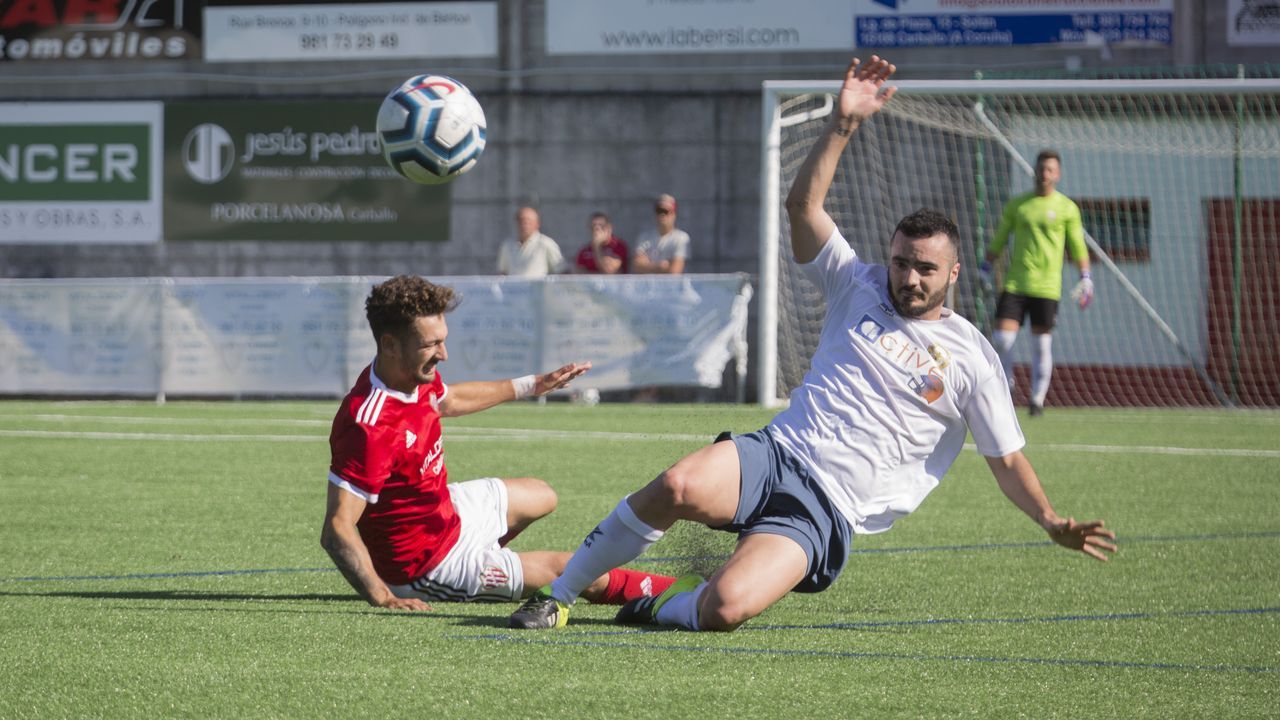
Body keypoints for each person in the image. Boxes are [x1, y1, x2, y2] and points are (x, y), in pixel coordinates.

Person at [509, 56, 1115, 633]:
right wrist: (843, 123)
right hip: (776, 451)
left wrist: (1052, 520)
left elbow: (1006, 461)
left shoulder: (972, 358)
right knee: (676, 486)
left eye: (925, 269)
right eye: (902, 261)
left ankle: (664, 602)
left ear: (952, 274)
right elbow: (804, 205)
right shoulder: (858, 281)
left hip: (826, 509)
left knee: (724, 608)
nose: (908, 277)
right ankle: (557, 597)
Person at [321, 275, 674, 610]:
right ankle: (682, 592)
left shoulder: (410, 373)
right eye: (431, 344)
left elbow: (449, 400)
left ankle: (489, 560)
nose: (443, 354)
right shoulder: (369, 425)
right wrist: (382, 597)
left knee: (542, 495)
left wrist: (531, 385)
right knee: (570, 570)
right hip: (426, 565)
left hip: (447, 513)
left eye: (443, 340)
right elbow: (337, 527)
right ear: (390, 345)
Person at [980, 150, 1093, 417]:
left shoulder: (1067, 208)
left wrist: (1086, 278)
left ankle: (1037, 400)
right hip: (1015, 284)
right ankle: (1005, 389)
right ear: (1034, 170)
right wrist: (985, 268)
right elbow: (999, 238)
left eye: (1050, 169)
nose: (1044, 174)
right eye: (1041, 168)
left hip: (1047, 287)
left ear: (1058, 174)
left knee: (1041, 345)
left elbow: (1077, 245)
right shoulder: (1018, 205)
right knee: (1002, 340)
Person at [497, 206, 566, 277]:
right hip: (513, 288)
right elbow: (503, 272)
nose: (525, 225)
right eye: (521, 221)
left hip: (538, 287)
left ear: (537, 224)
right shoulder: (507, 245)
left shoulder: (546, 243)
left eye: (528, 222)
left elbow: (562, 271)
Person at [632, 194, 689, 275]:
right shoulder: (644, 236)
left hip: (673, 287)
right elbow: (636, 267)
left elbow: (675, 271)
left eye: (666, 211)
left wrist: (647, 266)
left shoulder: (681, 238)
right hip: (648, 287)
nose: (662, 215)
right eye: (659, 211)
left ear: (674, 214)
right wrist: (661, 267)